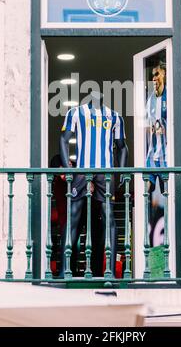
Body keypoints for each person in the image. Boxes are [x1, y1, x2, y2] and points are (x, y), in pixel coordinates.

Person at [59, 91, 128, 277]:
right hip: (82, 171)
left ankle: (111, 272)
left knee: (109, 219)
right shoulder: (75, 113)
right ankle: (65, 270)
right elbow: (64, 140)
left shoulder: (115, 117)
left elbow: (122, 147)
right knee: (73, 217)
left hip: (106, 172)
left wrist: (119, 172)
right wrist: (68, 170)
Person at [145, 61, 167, 194]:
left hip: (167, 156)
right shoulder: (150, 100)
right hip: (152, 156)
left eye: (157, 74)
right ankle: (142, 215)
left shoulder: (170, 96)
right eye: (152, 75)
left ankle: (171, 215)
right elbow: (147, 125)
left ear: (165, 74)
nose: (154, 78)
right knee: (145, 192)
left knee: (168, 194)